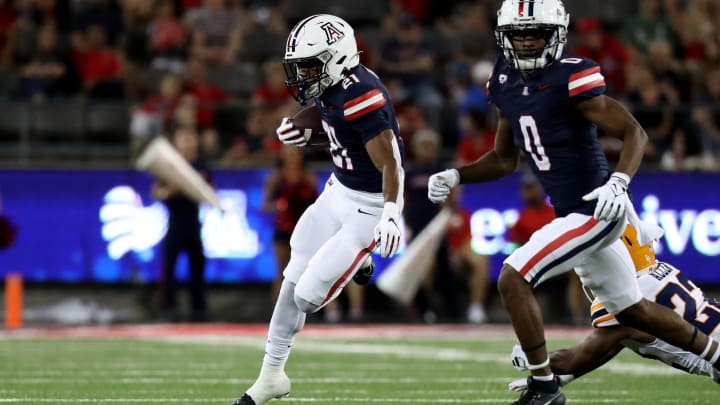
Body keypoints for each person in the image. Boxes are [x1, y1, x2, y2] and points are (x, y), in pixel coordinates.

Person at [427, 1, 720, 404]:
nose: (528, 44)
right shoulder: (504, 79)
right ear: (504, 37)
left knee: (513, 276)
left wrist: (619, 181)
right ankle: (716, 354)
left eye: (537, 35)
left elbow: (634, 132)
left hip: (596, 209)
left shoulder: (572, 76)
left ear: (557, 35)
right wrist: (458, 173)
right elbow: (503, 158)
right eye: (519, 36)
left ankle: (544, 389)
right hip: (572, 212)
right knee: (631, 312)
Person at [232, 14, 404, 405]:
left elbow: (391, 162)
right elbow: (338, 128)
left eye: (310, 66)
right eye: (299, 67)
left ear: (338, 58)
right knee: (293, 275)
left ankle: (360, 259)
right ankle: (271, 376)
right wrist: (306, 133)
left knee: (309, 297)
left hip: (370, 205)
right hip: (337, 191)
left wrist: (392, 212)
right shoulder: (334, 85)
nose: (303, 76)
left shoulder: (362, 94)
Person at [508, 224, 720, 391]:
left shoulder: (628, 300)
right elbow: (612, 344)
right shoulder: (662, 271)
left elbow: (575, 358)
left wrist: (531, 358)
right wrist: (562, 379)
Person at [508, 174, 585, 325]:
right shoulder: (521, 219)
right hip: (534, 264)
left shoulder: (554, 212)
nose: (529, 192)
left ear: (540, 189)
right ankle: (527, 321)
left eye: (532, 188)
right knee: (514, 274)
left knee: (577, 271)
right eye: (526, 189)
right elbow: (516, 247)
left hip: (557, 261)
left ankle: (577, 318)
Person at [151, 128, 209, 322]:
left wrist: (191, 187)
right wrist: (170, 191)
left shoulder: (200, 165)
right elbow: (157, 192)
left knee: (197, 267)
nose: (187, 142)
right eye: (183, 138)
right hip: (175, 223)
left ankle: (198, 308)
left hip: (193, 223)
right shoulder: (170, 166)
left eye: (190, 138)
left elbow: (208, 191)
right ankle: (169, 307)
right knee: (169, 267)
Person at [262, 145, 317, 300]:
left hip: (305, 230)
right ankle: (276, 311)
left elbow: (318, 204)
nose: (292, 156)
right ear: (283, 156)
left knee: (309, 270)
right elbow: (264, 205)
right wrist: (277, 206)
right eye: (289, 153)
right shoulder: (276, 178)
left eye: (295, 153)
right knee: (282, 271)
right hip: (283, 230)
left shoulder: (308, 177)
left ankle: (309, 308)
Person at [444, 187, 490, 324]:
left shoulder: (465, 215)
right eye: (452, 192)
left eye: (457, 192)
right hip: (439, 257)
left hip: (459, 257)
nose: (455, 195)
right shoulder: (434, 216)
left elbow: (466, 243)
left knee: (481, 262)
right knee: (428, 266)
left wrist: (458, 255)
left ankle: (476, 307)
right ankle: (425, 309)